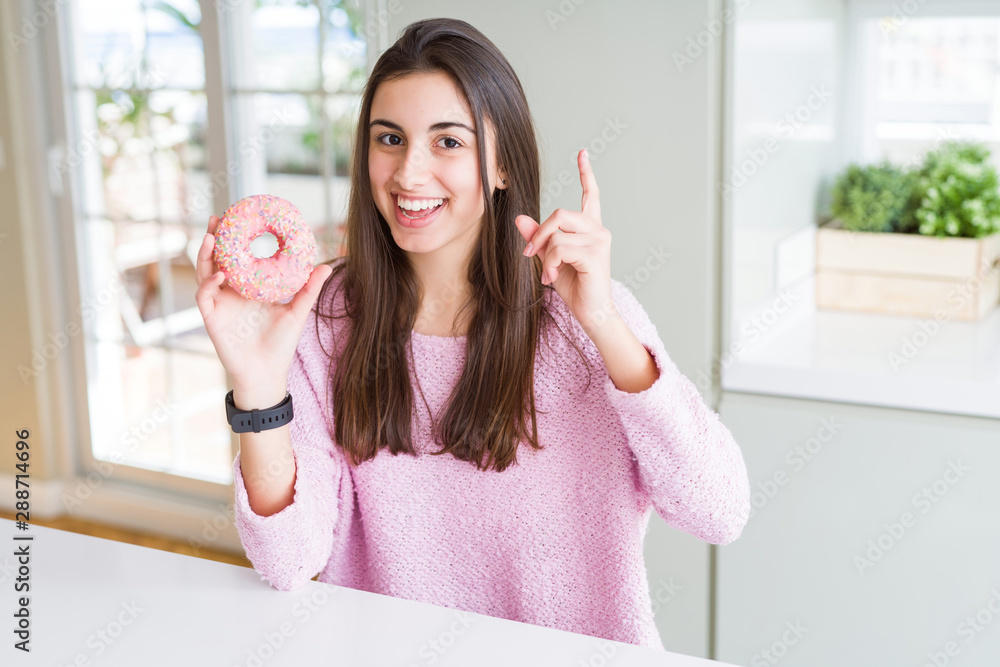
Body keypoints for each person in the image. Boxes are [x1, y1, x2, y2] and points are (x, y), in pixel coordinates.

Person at [194, 17, 750, 652]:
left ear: (502, 164)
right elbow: (289, 560)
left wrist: (602, 323)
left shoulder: (584, 316)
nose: (408, 173)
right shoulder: (327, 319)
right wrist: (260, 394)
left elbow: (718, 510)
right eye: (390, 139)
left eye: (448, 143)